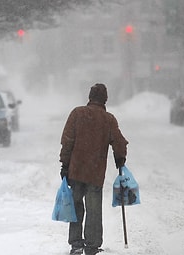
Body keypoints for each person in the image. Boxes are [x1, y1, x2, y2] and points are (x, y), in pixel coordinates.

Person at [58, 83, 128, 255]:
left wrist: (64, 165)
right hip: (95, 173)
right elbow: (119, 142)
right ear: (105, 99)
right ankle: (92, 245)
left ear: (89, 97)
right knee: (94, 209)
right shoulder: (108, 119)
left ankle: (76, 244)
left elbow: (67, 141)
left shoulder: (77, 113)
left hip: (76, 170)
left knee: (75, 207)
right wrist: (120, 158)